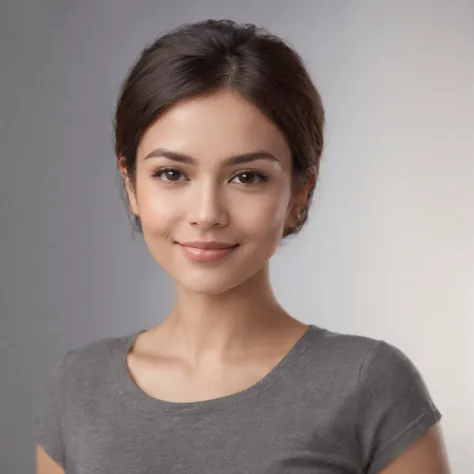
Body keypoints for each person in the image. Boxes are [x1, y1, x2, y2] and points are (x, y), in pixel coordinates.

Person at [36, 19, 450, 474]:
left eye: (247, 177)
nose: (207, 212)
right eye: (172, 174)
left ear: (299, 193)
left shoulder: (371, 384)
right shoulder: (78, 387)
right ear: (131, 184)